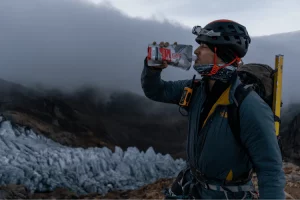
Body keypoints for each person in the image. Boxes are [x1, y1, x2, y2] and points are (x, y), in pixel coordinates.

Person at [141, 19, 286, 200]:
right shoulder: (195, 89)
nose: (196, 51)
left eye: (203, 46)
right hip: (192, 187)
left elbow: (270, 169)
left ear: (221, 52)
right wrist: (153, 69)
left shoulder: (248, 105)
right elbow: (156, 91)